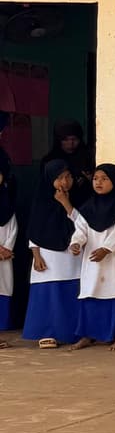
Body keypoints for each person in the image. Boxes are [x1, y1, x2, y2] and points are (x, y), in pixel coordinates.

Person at [68, 163, 115, 351]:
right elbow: (81, 229)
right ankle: (87, 335)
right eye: (96, 178)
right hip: (92, 258)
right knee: (90, 291)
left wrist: (106, 249)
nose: (99, 182)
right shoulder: (88, 208)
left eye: (105, 179)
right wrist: (76, 243)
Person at [20, 158, 82, 347]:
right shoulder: (40, 200)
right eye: (59, 178)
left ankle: (72, 332)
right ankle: (46, 333)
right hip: (47, 255)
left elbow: (83, 224)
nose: (65, 182)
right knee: (49, 292)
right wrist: (36, 256)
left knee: (70, 291)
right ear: (50, 179)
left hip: (72, 253)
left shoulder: (80, 197)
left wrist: (65, 203)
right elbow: (34, 229)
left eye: (68, 176)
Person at [54, 120, 96, 204]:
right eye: (65, 140)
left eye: (75, 139)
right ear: (59, 140)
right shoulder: (51, 159)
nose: (70, 143)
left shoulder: (88, 157)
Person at [0, 147, 16, 346]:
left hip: (5, 256)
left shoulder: (6, 201)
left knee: (3, 289)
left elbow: (12, 226)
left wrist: (7, 248)